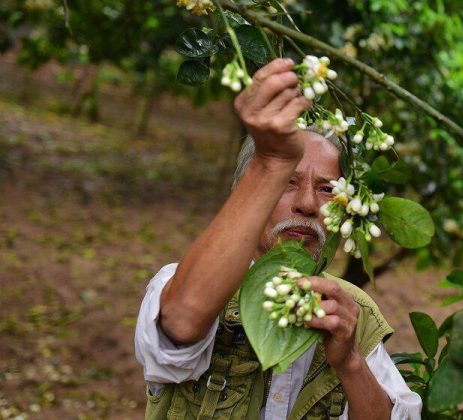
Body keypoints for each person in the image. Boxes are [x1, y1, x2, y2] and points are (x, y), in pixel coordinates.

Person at [134, 58, 422, 419]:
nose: (306, 204)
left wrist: (350, 361)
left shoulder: (353, 312)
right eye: (288, 181)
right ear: (251, 191)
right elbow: (180, 325)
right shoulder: (187, 285)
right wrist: (271, 161)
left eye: (327, 189)